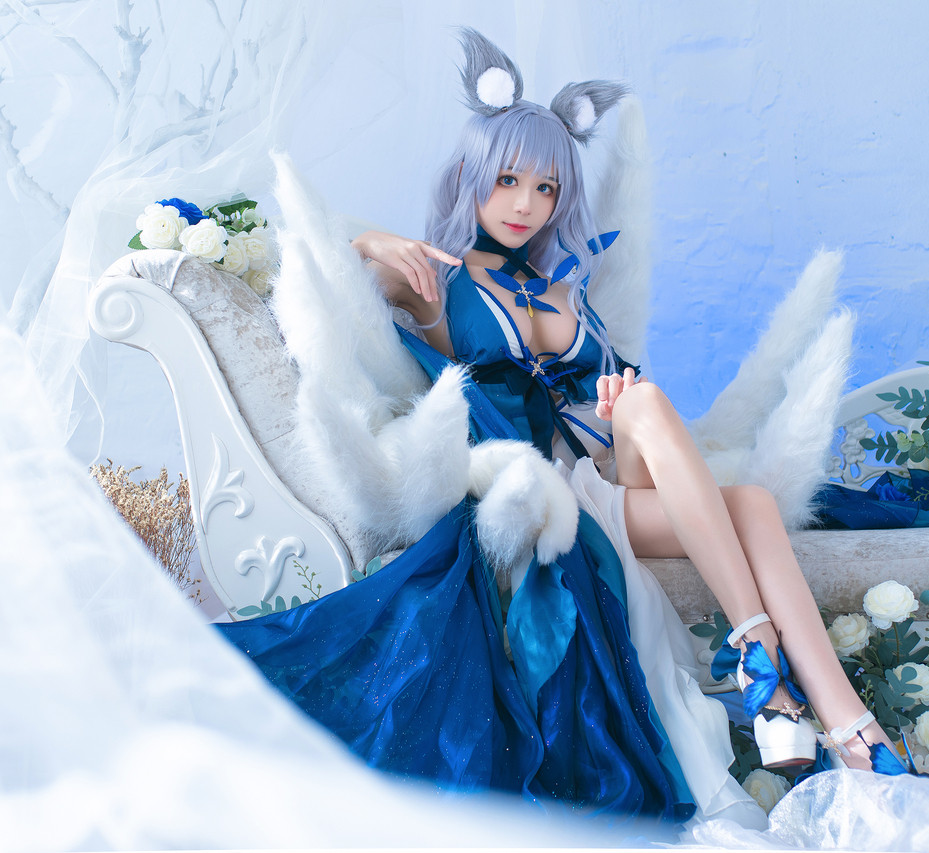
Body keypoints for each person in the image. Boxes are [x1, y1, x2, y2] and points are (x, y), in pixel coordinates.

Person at [220, 28, 893, 828]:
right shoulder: (437, 280)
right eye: (507, 180)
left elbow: (617, 398)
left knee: (644, 402)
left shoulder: (565, 287)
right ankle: (841, 721)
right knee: (746, 502)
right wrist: (376, 239)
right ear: (469, 177)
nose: (524, 204)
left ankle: (780, 679)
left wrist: (613, 399)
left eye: (544, 187)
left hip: (612, 468)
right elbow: (319, 261)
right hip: (546, 489)